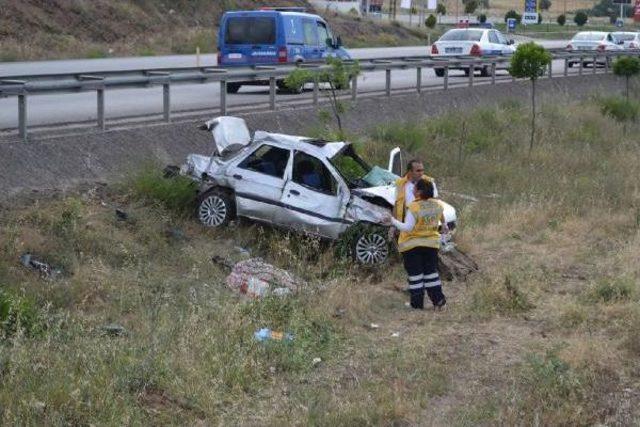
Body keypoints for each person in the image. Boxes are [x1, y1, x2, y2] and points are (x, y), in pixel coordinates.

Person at [384, 178, 448, 310]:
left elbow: (407, 227)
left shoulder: (414, 206)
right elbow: (442, 222)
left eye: (414, 188)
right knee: (431, 274)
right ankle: (438, 300)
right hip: (431, 244)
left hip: (412, 245)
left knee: (416, 275)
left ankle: (417, 304)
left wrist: (392, 221)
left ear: (419, 192)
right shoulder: (438, 205)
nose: (412, 190)